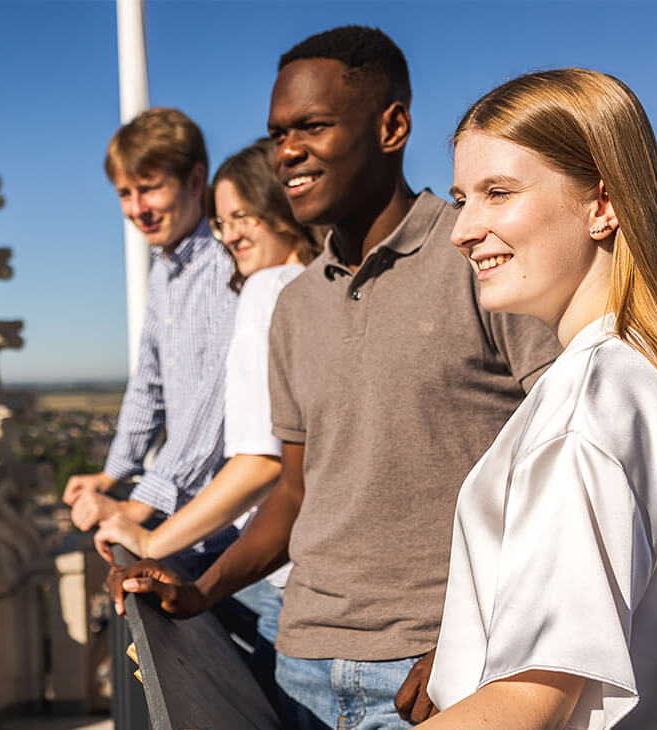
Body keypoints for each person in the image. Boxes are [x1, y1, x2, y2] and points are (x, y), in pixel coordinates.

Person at [107, 26, 560, 730]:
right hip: (301, 668)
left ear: (392, 127)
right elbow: (293, 494)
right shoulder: (294, 304)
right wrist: (199, 589)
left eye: (312, 127)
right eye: (277, 133)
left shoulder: (478, 258)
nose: (287, 151)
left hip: (436, 677)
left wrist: (479, 637)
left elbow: (561, 470)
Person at [419, 68, 657, 730]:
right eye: (462, 198)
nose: (462, 229)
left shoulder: (588, 401)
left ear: (603, 204)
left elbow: (532, 699)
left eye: (498, 192)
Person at [94, 137, 321, 706]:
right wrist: (115, 476)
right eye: (224, 222)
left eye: (243, 215)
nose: (231, 235)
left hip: (288, 573)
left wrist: (150, 534)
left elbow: (259, 460)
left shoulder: (266, 287)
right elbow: (149, 384)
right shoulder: (322, 286)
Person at [63, 107, 239, 567]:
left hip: (240, 530)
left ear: (195, 180)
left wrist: (138, 505)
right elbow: (150, 383)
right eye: (125, 193)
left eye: (150, 188)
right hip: (192, 526)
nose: (136, 209)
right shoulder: (165, 270)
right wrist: (112, 475)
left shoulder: (229, 259)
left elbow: (217, 400)